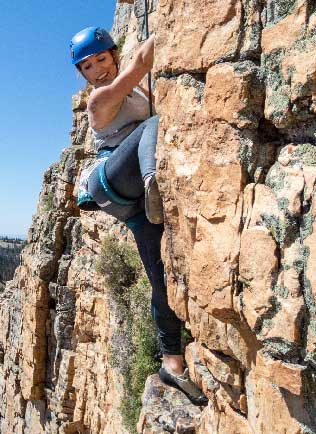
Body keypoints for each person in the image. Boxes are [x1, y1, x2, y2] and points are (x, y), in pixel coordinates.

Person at [69, 26, 207, 406]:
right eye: (88, 67)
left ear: (112, 55)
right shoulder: (99, 100)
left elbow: (141, 66)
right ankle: (153, 184)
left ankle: (172, 362)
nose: (97, 70)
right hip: (112, 180)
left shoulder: (139, 92)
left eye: (101, 59)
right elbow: (143, 60)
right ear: (83, 76)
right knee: (152, 124)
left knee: (160, 279)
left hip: (132, 205)